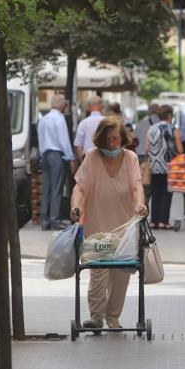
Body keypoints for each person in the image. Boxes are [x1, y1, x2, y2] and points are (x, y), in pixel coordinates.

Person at [70, 116, 148, 329]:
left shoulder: (130, 158)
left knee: (121, 276)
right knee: (98, 274)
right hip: (97, 229)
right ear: (101, 140)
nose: (112, 144)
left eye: (116, 139)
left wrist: (140, 205)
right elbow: (80, 188)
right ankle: (96, 317)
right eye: (108, 140)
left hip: (124, 229)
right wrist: (75, 207)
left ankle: (112, 317)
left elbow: (136, 187)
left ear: (122, 138)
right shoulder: (92, 157)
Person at [37, 94, 76, 230]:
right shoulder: (59, 119)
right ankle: (54, 219)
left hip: (45, 155)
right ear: (60, 104)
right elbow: (63, 141)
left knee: (46, 188)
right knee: (57, 187)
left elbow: (40, 139)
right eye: (64, 104)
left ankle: (45, 220)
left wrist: (42, 154)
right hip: (56, 155)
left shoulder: (44, 119)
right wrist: (71, 158)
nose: (65, 106)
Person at [145, 104, 184, 230]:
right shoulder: (173, 130)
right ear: (169, 116)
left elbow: (146, 148)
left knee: (156, 192)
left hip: (155, 166)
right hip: (170, 166)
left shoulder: (151, 129)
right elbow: (180, 149)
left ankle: (154, 221)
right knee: (167, 193)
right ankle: (164, 221)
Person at [74, 96, 105, 162]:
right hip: (104, 158)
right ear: (101, 106)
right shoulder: (107, 121)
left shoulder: (83, 123)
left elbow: (79, 145)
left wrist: (81, 162)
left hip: (87, 157)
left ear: (89, 107)